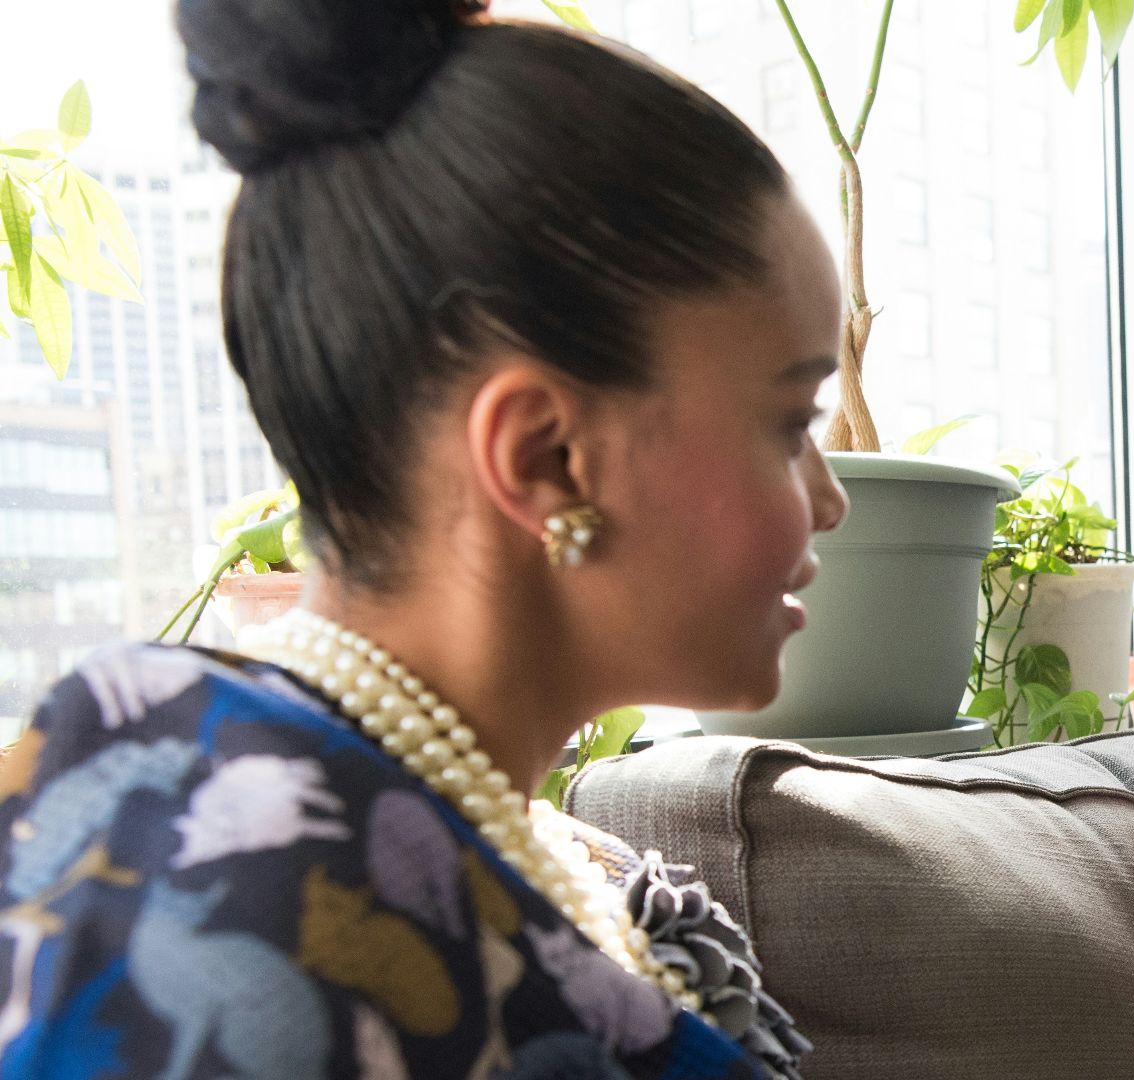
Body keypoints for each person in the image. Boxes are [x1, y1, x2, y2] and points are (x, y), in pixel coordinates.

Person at [0, 0, 849, 1075]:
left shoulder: (546, 868)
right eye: (791, 423)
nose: (829, 500)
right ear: (545, 457)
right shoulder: (247, 898)